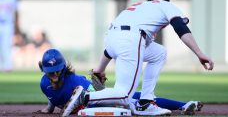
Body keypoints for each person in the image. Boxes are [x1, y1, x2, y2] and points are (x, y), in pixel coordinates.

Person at [63, 0, 214, 116]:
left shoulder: (138, 7)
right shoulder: (165, 5)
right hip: (131, 40)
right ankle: (85, 97)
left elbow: (111, 48)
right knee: (124, 95)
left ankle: (145, 102)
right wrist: (199, 53)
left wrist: (100, 69)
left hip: (113, 39)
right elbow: (180, 27)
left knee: (159, 53)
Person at [37, 48, 203, 116]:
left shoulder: (73, 80)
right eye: (51, 71)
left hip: (98, 100)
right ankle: (184, 104)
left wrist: (98, 86)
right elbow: (52, 95)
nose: (55, 73)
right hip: (93, 104)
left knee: (141, 100)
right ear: (45, 71)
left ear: (63, 68)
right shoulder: (44, 84)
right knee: (139, 100)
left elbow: (99, 94)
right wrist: (49, 108)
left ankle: (184, 105)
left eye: (58, 69)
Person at [0, 0, 19, 72]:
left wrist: (17, 26)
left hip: (7, 24)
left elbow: (16, 12)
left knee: (6, 45)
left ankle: (7, 66)